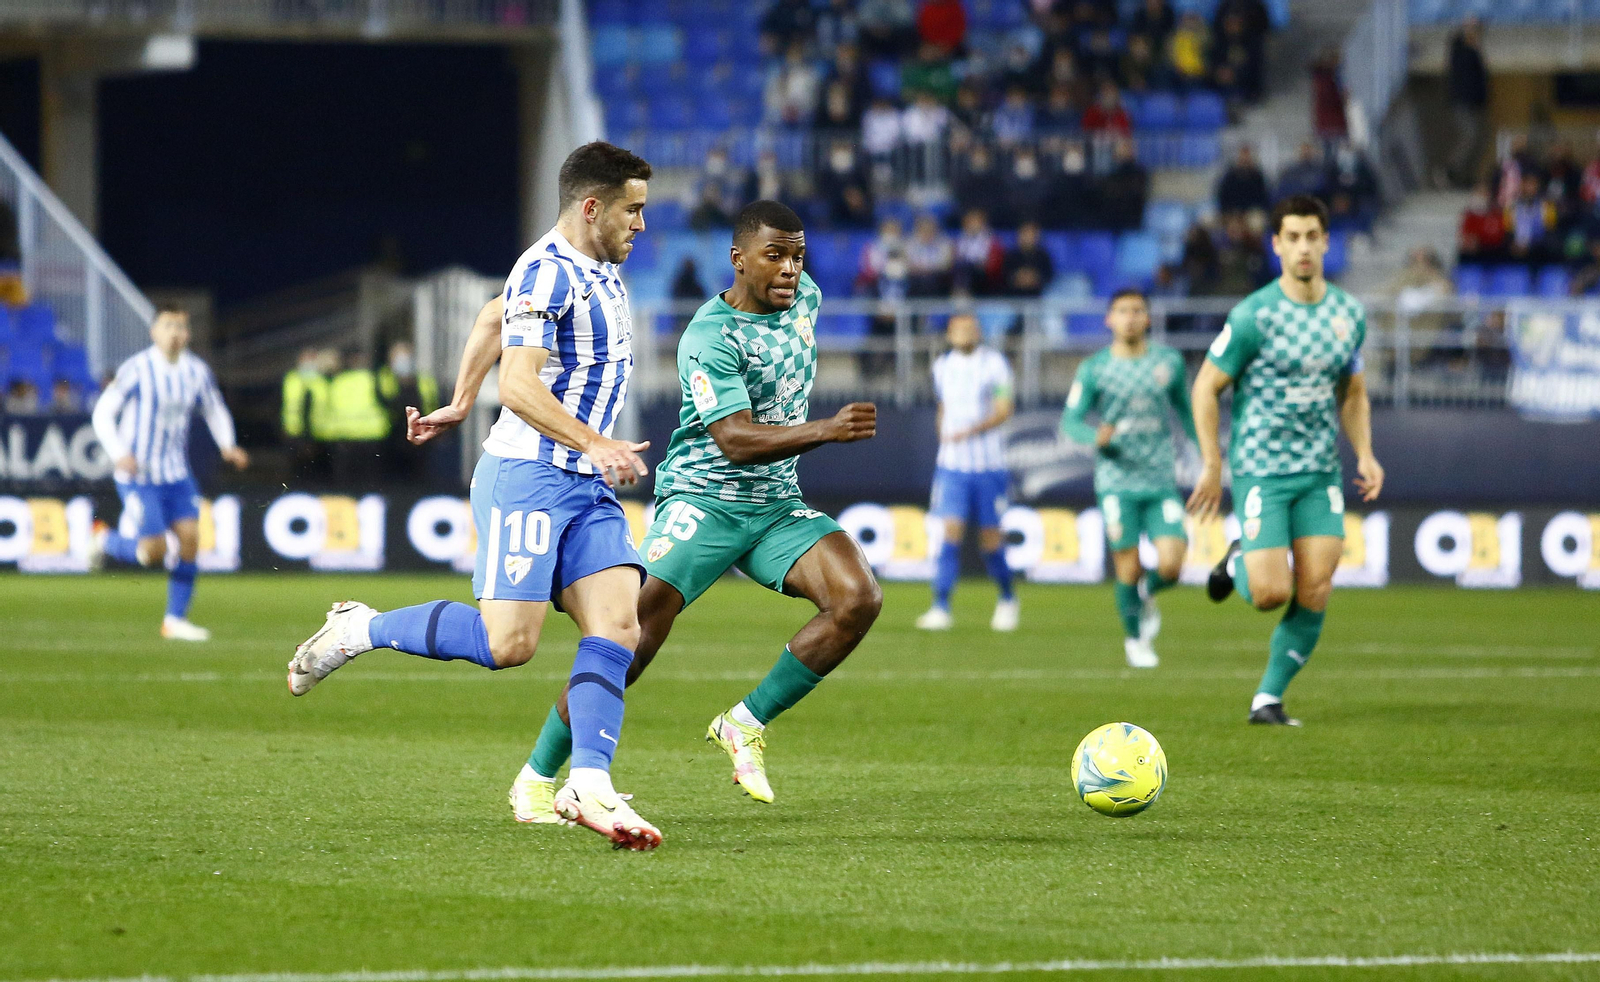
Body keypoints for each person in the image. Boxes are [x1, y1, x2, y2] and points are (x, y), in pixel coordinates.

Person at [286, 142, 664, 851]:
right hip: (530, 478)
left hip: (583, 483)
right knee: (508, 645)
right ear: (592, 208)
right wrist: (594, 442)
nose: (641, 225)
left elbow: (493, 317)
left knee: (619, 627)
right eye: (633, 210)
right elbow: (519, 386)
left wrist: (460, 399)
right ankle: (359, 627)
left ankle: (589, 781)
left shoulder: (600, 269)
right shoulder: (549, 271)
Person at [512, 201, 881, 813]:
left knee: (857, 598)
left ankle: (744, 722)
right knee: (628, 636)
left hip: (773, 503)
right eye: (775, 255)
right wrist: (827, 430)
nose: (791, 268)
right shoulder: (711, 337)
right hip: (703, 500)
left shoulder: (805, 297)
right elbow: (733, 439)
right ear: (738, 259)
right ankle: (536, 776)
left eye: (797, 255)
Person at [1188, 195, 1384, 727]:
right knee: (1272, 593)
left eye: (1311, 236)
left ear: (1325, 242)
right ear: (1276, 245)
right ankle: (1236, 561)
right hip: (1262, 471)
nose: (1302, 247)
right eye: (1291, 237)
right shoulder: (1254, 315)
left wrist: (1364, 453)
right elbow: (1206, 386)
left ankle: (1267, 700)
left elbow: (1353, 392)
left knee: (1316, 585)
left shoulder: (1348, 315)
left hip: (1320, 472)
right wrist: (1212, 462)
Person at [89, 306, 250, 641]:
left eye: (180, 326)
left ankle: (174, 620)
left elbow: (214, 408)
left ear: (188, 333)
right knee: (153, 553)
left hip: (176, 474)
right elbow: (103, 413)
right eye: (167, 326)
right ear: (154, 332)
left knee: (191, 539)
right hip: (139, 476)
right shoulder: (137, 368)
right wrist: (119, 453)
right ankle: (104, 539)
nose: (175, 332)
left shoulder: (196, 371)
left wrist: (228, 445)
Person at [1060, 290, 1196, 668]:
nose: (1131, 317)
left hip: (1160, 480)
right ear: (1109, 319)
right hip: (1116, 481)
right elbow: (1070, 421)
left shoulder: (1168, 362)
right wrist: (1093, 436)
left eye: (1138, 311)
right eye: (1122, 311)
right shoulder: (1094, 368)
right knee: (1127, 564)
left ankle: (1146, 592)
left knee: (1172, 565)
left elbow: (1186, 412)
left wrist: (1208, 457)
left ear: (1148, 318)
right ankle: (1136, 641)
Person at [916, 312, 1017, 632]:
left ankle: (1007, 598)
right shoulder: (941, 366)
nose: (965, 334)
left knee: (990, 538)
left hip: (988, 466)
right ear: (950, 334)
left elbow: (1003, 411)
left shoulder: (995, 364)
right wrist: (942, 428)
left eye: (971, 329)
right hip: (952, 467)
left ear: (979, 333)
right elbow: (944, 406)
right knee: (949, 534)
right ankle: (941, 606)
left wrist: (968, 432)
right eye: (959, 329)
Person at [378, 341, 441, 481]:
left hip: (421, 438)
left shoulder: (424, 380)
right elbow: (385, 403)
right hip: (392, 437)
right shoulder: (385, 378)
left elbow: (432, 404)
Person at [1444, 17, 1489, 189]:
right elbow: (1455, 40)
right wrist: (1466, 27)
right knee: (1470, 134)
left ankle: (1466, 175)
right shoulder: (1459, 48)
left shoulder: (1475, 51)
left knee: (1480, 139)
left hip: (1476, 104)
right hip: (1461, 102)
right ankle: (1450, 170)